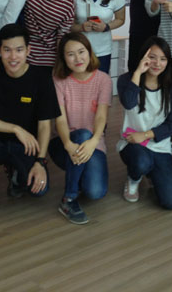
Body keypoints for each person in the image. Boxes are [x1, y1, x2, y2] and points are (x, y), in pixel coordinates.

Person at [0, 24, 60, 223]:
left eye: (19, 50)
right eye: (7, 50)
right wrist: (16, 129)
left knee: (39, 191)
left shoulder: (42, 78)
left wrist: (40, 162)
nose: (13, 57)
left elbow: (45, 125)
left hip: (25, 146)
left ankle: (16, 174)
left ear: (28, 50)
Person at [49, 32, 112, 224]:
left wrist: (93, 142)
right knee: (83, 134)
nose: (78, 58)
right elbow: (60, 120)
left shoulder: (103, 79)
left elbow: (101, 116)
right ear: (63, 58)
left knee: (96, 192)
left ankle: (79, 174)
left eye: (81, 52)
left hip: (93, 143)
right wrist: (68, 144)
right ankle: (68, 199)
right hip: (63, 142)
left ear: (89, 52)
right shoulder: (58, 80)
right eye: (71, 54)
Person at [117, 37, 172, 210]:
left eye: (163, 59)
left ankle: (152, 172)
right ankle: (134, 179)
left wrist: (145, 135)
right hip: (132, 143)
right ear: (143, 57)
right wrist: (138, 73)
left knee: (171, 202)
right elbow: (128, 103)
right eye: (152, 57)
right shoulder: (126, 80)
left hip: (159, 146)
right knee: (141, 162)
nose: (157, 63)